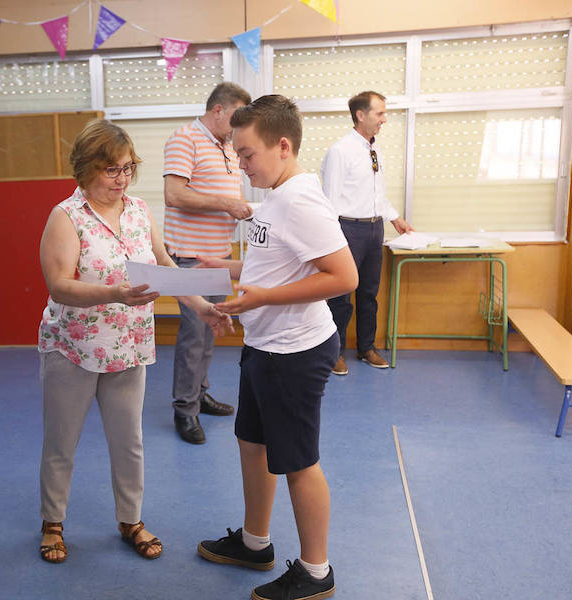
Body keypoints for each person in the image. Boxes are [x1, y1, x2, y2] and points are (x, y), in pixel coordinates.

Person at [37, 119, 233, 564]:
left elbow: (163, 266)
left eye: (128, 169)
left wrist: (201, 306)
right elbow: (59, 286)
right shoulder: (65, 217)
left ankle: (131, 520)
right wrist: (116, 293)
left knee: (129, 441)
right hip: (74, 348)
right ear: (87, 169)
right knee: (61, 443)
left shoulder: (140, 211)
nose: (122, 179)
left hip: (128, 347)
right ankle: (52, 522)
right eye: (112, 170)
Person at [196, 95, 358, 600]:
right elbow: (279, 264)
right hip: (264, 345)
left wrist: (263, 297)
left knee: (297, 461)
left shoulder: (301, 200)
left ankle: (315, 573)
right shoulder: (275, 199)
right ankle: (254, 542)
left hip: (294, 352)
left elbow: (342, 276)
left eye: (247, 155)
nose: (241, 167)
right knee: (254, 444)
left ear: (282, 146)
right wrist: (227, 272)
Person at [162, 82, 252, 444]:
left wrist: (241, 207)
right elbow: (175, 194)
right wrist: (227, 204)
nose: (238, 125)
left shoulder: (227, 146)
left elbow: (225, 192)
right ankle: (185, 409)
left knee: (212, 330)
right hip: (191, 256)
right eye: (236, 117)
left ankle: (199, 392)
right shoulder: (185, 138)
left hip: (218, 256)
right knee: (193, 336)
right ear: (218, 110)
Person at [320, 91, 414, 375]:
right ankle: (334, 352)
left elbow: (377, 195)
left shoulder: (374, 150)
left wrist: (395, 218)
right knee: (340, 295)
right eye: (380, 114)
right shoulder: (340, 151)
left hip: (375, 229)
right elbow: (331, 199)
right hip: (347, 228)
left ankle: (366, 347)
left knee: (369, 293)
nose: (384, 120)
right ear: (361, 115)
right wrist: (332, 238)